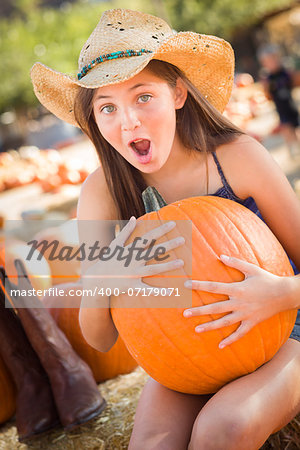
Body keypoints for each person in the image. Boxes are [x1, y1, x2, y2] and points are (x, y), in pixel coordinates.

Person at [31, 9, 300, 449]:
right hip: (183, 355)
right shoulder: (103, 193)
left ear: (177, 93)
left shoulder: (237, 158)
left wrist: (281, 293)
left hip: (285, 328)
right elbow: (100, 339)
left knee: (223, 429)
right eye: (107, 108)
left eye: (142, 97)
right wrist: (110, 273)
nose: (128, 122)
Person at [257, 44, 300, 158]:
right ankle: (292, 149)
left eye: (274, 59)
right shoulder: (268, 79)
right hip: (281, 108)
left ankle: (297, 146)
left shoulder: (285, 73)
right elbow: (268, 95)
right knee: (286, 128)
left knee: (296, 126)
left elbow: (294, 82)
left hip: (291, 104)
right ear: (264, 63)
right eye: (269, 61)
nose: (273, 63)